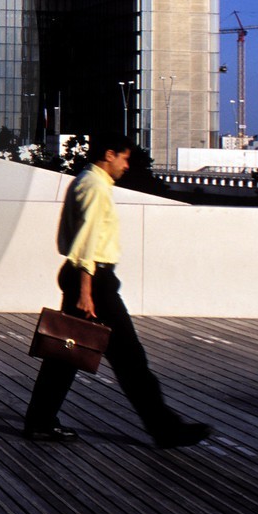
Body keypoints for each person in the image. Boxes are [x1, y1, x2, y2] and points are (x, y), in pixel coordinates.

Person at [23, 134, 213, 449]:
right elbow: (87, 240)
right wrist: (87, 290)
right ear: (109, 155)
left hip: (86, 279)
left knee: (66, 354)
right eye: (124, 158)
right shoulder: (95, 187)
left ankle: (40, 421)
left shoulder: (84, 181)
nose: (126, 166)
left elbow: (71, 238)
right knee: (130, 360)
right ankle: (164, 428)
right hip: (94, 282)